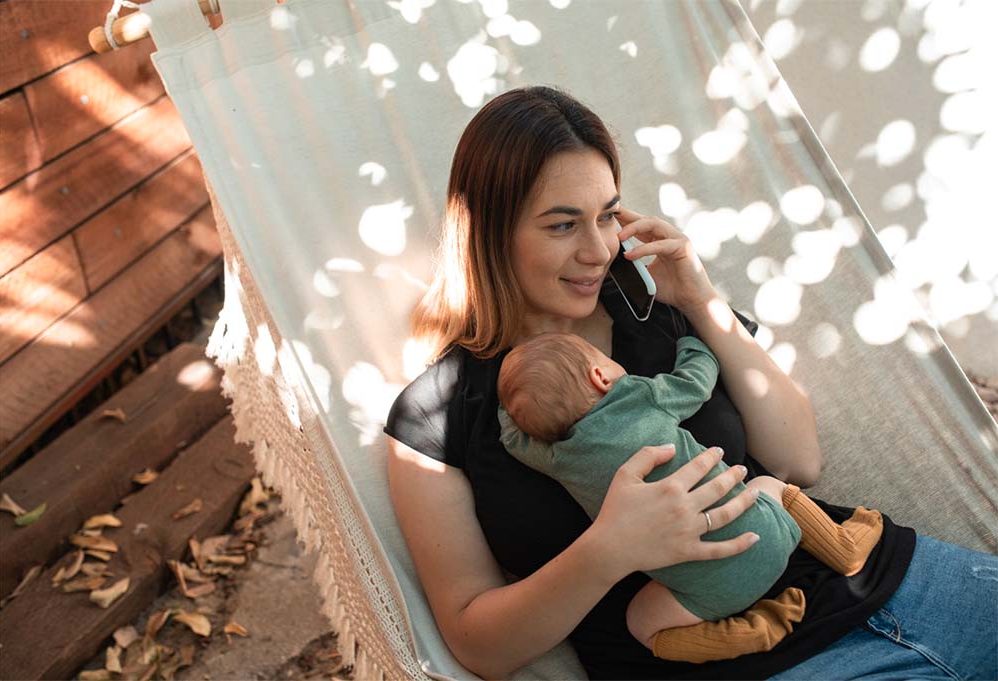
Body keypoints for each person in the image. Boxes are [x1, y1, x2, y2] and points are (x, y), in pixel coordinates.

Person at [384, 85, 998, 679]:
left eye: (606, 216)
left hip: (894, 580)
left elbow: (799, 462)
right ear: (490, 234)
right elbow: (478, 646)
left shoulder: (659, 319)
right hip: (738, 660)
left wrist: (702, 301)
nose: (599, 250)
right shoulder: (438, 414)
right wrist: (610, 548)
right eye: (562, 225)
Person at [496, 330, 884, 662]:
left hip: (707, 595)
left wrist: (514, 405)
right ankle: (844, 547)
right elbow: (696, 381)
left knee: (642, 624)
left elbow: (511, 438)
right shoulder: (638, 397)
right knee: (768, 486)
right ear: (600, 375)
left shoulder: (557, 457)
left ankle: (752, 633)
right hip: (767, 537)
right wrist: (692, 346)